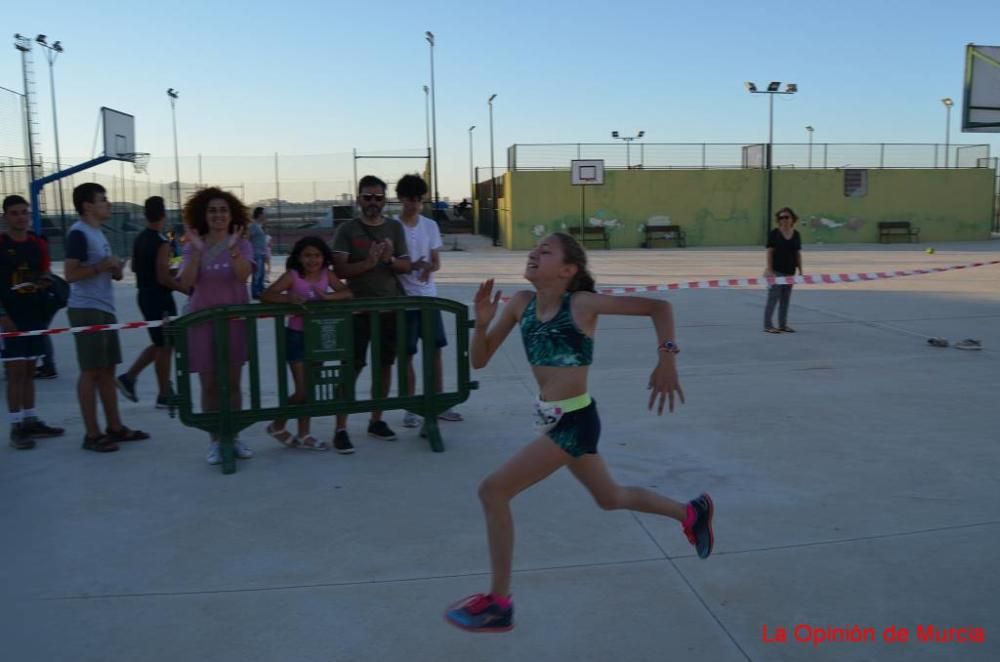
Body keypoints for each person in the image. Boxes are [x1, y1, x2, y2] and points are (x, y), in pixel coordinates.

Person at [444, 232, 712, 633]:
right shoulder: (521, 304)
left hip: (574, 422)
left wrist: (667, 357)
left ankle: (499, 603)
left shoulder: (581, 304)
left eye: (545, 251)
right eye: (534, 249)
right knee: (611, 497)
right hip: (554, 419)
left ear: (568, 270)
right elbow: (479, 360)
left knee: (493, 490)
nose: (534, 254)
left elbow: (660, 307)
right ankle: (690, 513)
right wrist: (480, 325)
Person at [64, 183, 150, 452]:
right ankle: (92, 434)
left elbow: (102, 272)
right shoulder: (78, 234)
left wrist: (114, 270)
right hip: (86, 308)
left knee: (108, 370)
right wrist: (103, 266)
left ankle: (115, 427)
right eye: (103, 200)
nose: (108, 204)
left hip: (104, 308)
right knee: (90, 371)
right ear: (87, 205)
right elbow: (70, 274)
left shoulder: (97, 232)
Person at [330, 175, 411, 453]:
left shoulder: (395, 228)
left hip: (389, 308)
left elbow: (405, 264)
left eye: (378, 197)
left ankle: (376, 420)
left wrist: (388, 259)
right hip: (356, 310)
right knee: (351, 367)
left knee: (384, 366)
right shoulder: (347, 230)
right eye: (368, 197)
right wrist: (369, 262)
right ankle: (341, 427)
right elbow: (339, 270)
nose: (373, 203)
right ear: (358, 199)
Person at [177, 187, 256, 465]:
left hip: (234, 323)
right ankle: (213, 440)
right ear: (203, 215)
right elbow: (185, 282)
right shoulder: (191, 246)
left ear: (232, 214)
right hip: (202, 323)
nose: (218, 215)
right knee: (209, 385)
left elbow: (243, 275)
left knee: (233, 383)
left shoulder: (242, 245)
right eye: (212, 210)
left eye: (223, 210)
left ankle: (232, 436)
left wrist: (232, 248)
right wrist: (198, 252)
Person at [261, 237, 352, 450]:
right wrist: (288, 298)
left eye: (317, 255)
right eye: (307, 255)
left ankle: (304, 434)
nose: (313, 260)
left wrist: (328, 297)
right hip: (296, 335)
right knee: (302, 390)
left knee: (310, 389)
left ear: (324, 258)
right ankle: (277, 424)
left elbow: (348, 292)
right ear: (299, 257)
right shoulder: (293, 276)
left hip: (318, 337)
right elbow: (267, 294)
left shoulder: (326, 275)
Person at [393, 174, 462, 428]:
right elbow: (389, 264)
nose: (415, 204)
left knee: (435, 351)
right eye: (411, 199)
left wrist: (428, 268)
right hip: (403, 300)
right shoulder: (392, 226)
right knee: (407, 354)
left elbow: (436, 262)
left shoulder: (430, 226)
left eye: (420, 199)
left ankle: (439, 402)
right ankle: (410, 407)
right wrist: (410, 266)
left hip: (428, 298)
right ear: (401, 198)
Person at [0, 195, 65, 449]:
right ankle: (16, 426)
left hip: (34, 316)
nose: (21, 217)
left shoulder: (38, 245)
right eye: (15, 213)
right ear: (5, 217)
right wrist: (2, 316)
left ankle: (30, 420)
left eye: (24, 212)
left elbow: (45, 272)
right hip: (9, 319)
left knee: (29, 371)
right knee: (15, 373)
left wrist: (45, 282)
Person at [116, 196, 183, 408]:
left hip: (144, 295)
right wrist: (187, 288)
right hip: (160, 298)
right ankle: (163, 394)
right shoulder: (162, 242)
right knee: (166, 345)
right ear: (163, 214)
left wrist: (166, 267)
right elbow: (164, 277)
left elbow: (136, 268)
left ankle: (129, 377)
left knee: (160, 343)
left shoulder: (141, 238)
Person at [763, 207, 803, 334]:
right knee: (773, 299)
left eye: (786, 217)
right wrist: (770, 270)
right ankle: (768, 325)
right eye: (781, 217)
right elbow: (769, 252)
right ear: (778, 220)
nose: (784, 220)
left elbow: (797, 253)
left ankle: (782, 325)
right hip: (776, 271)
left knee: (786, 300)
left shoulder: (796, 234)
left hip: (790, 272)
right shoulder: (774, 233)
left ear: (792, 219)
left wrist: (801, 270)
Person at [248, 207, 269, 299]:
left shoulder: (261, 226)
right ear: (259, 214)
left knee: (261, 274)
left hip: (262, 253)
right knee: (257, 274)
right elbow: (248, 238)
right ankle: (255, 292)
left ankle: (260, 290)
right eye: (264, 213)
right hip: (256, 254)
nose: (265, 215)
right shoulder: (253, 226)